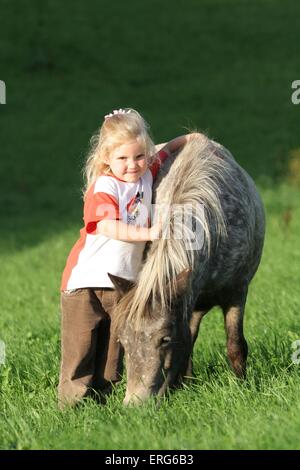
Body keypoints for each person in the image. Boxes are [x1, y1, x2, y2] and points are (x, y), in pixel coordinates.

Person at [58, 107, 199, 407]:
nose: (131, 165)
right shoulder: (104, 186)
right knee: (81, 349)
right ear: (106, 158)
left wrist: (189, 139)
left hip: (122, 285)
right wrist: (148, 234)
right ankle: (71, 407)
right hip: (85, 283)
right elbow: (108, 225)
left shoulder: (146, 174)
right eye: (122, 158)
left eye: (138, 157)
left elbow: (165, 152)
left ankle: (101, 400)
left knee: (113, 354)